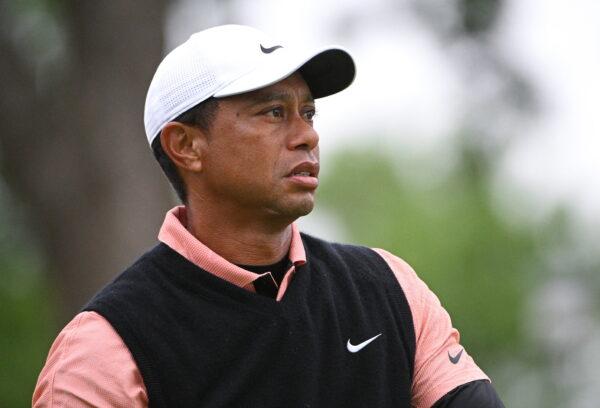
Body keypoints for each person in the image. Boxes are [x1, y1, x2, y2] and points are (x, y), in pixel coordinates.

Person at [33, 24, 504, 407]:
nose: (308, 136)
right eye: (274, 113)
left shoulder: (388, 286)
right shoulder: (104, 350)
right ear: (187, 146)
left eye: (309, 113)